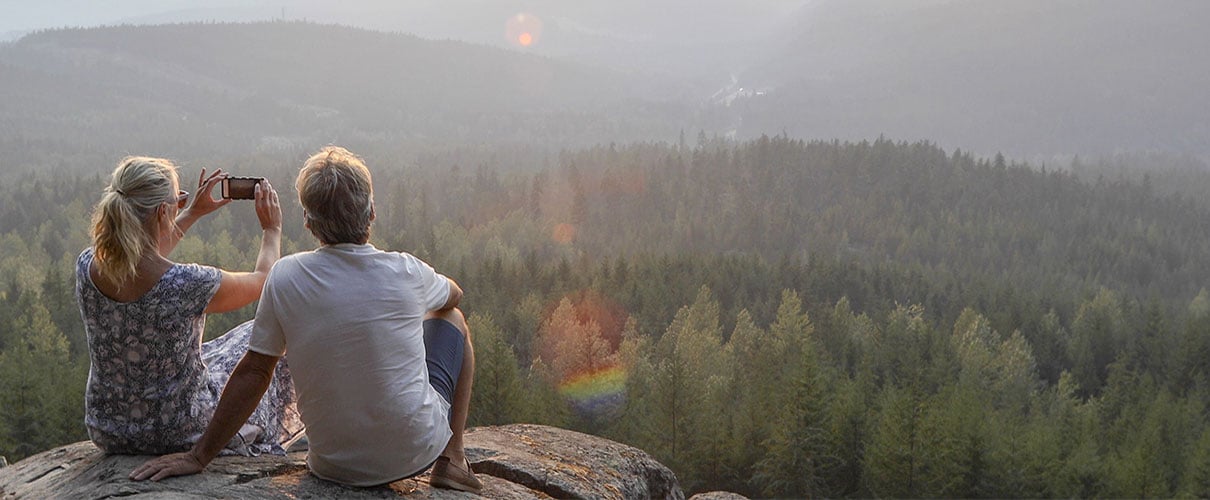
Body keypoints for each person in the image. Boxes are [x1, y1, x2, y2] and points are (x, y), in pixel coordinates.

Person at [131, 146, 481, 492]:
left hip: (333, 465)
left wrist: (199, 456)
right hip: (415, 453)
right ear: (371, 212)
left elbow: (254, 372)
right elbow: (454, 295)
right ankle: (452, 458)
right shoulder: (406, 270)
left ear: (308, 222)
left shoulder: (286, 276)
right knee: (453, 319)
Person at [76, 156, 301, 456]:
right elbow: (262, 281)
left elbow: (138, 256)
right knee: (265, 337)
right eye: (177, 202)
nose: (181, 205)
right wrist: (272, 229)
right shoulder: (188, 284)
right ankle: (260, 435)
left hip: (108, 428)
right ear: (162, 212)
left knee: (215, 353)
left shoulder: (87, 266)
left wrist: (192, 211)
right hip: (180, 430)